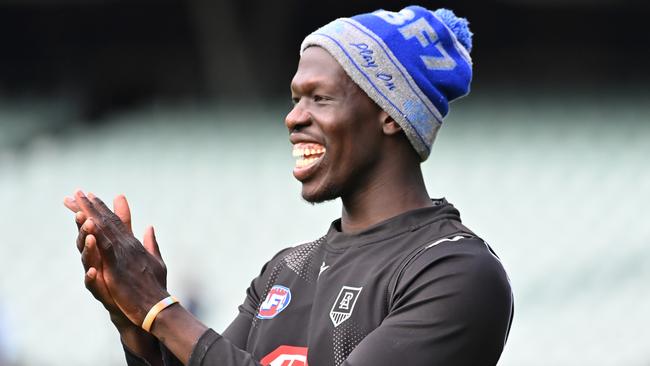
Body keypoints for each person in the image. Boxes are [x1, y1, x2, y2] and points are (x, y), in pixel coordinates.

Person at [64, 5, 513, 366]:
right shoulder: (284, 271)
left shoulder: (455, 271)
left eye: (320, 98)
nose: (294, 117)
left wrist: (160, 310)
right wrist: (134, 324)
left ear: (391, 115)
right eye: (295, 98)